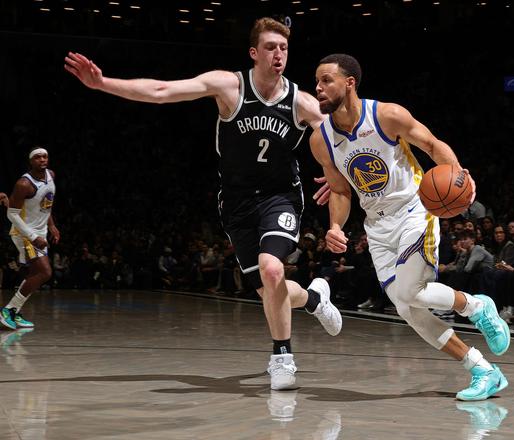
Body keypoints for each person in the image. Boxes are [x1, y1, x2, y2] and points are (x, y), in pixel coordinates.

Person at [64, 17, 341, 389]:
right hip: (238, 204)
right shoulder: (228, 86)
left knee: (272, 269)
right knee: (269, 291)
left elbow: (342, 140)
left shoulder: (302, 102)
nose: (278, 54)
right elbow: (162, 90)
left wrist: (339, 176)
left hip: (280, 198)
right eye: (270, 47)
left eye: (284, 48)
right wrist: (103, 83)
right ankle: (313, 299)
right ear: (254, 52)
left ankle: (282, 358)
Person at [310, 53, 510, 401]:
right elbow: (340, 190)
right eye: (316, 81)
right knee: (407, 308)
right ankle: (483, 370)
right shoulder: (320, 139)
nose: (318, 87)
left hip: (414, 210)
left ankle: (476, 307)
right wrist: (336, 226)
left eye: (326, 80)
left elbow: (431, 145)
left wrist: (459, 174)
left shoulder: (387, 115)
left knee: (410, 292)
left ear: (349, 83)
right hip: (377, 225)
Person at [1, 147, 60, 331]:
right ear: (31, 161)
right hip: (25, 234)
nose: (42, 159)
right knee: (44, 272)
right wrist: (33, 236)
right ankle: (8, 311)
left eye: (45, 156)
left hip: (40, 232)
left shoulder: (51, 175)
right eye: (38, 157)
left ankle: (15, 311)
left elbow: (46, 205)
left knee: (34, 274)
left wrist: (51, 225)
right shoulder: (24, 184)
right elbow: (12, 214)